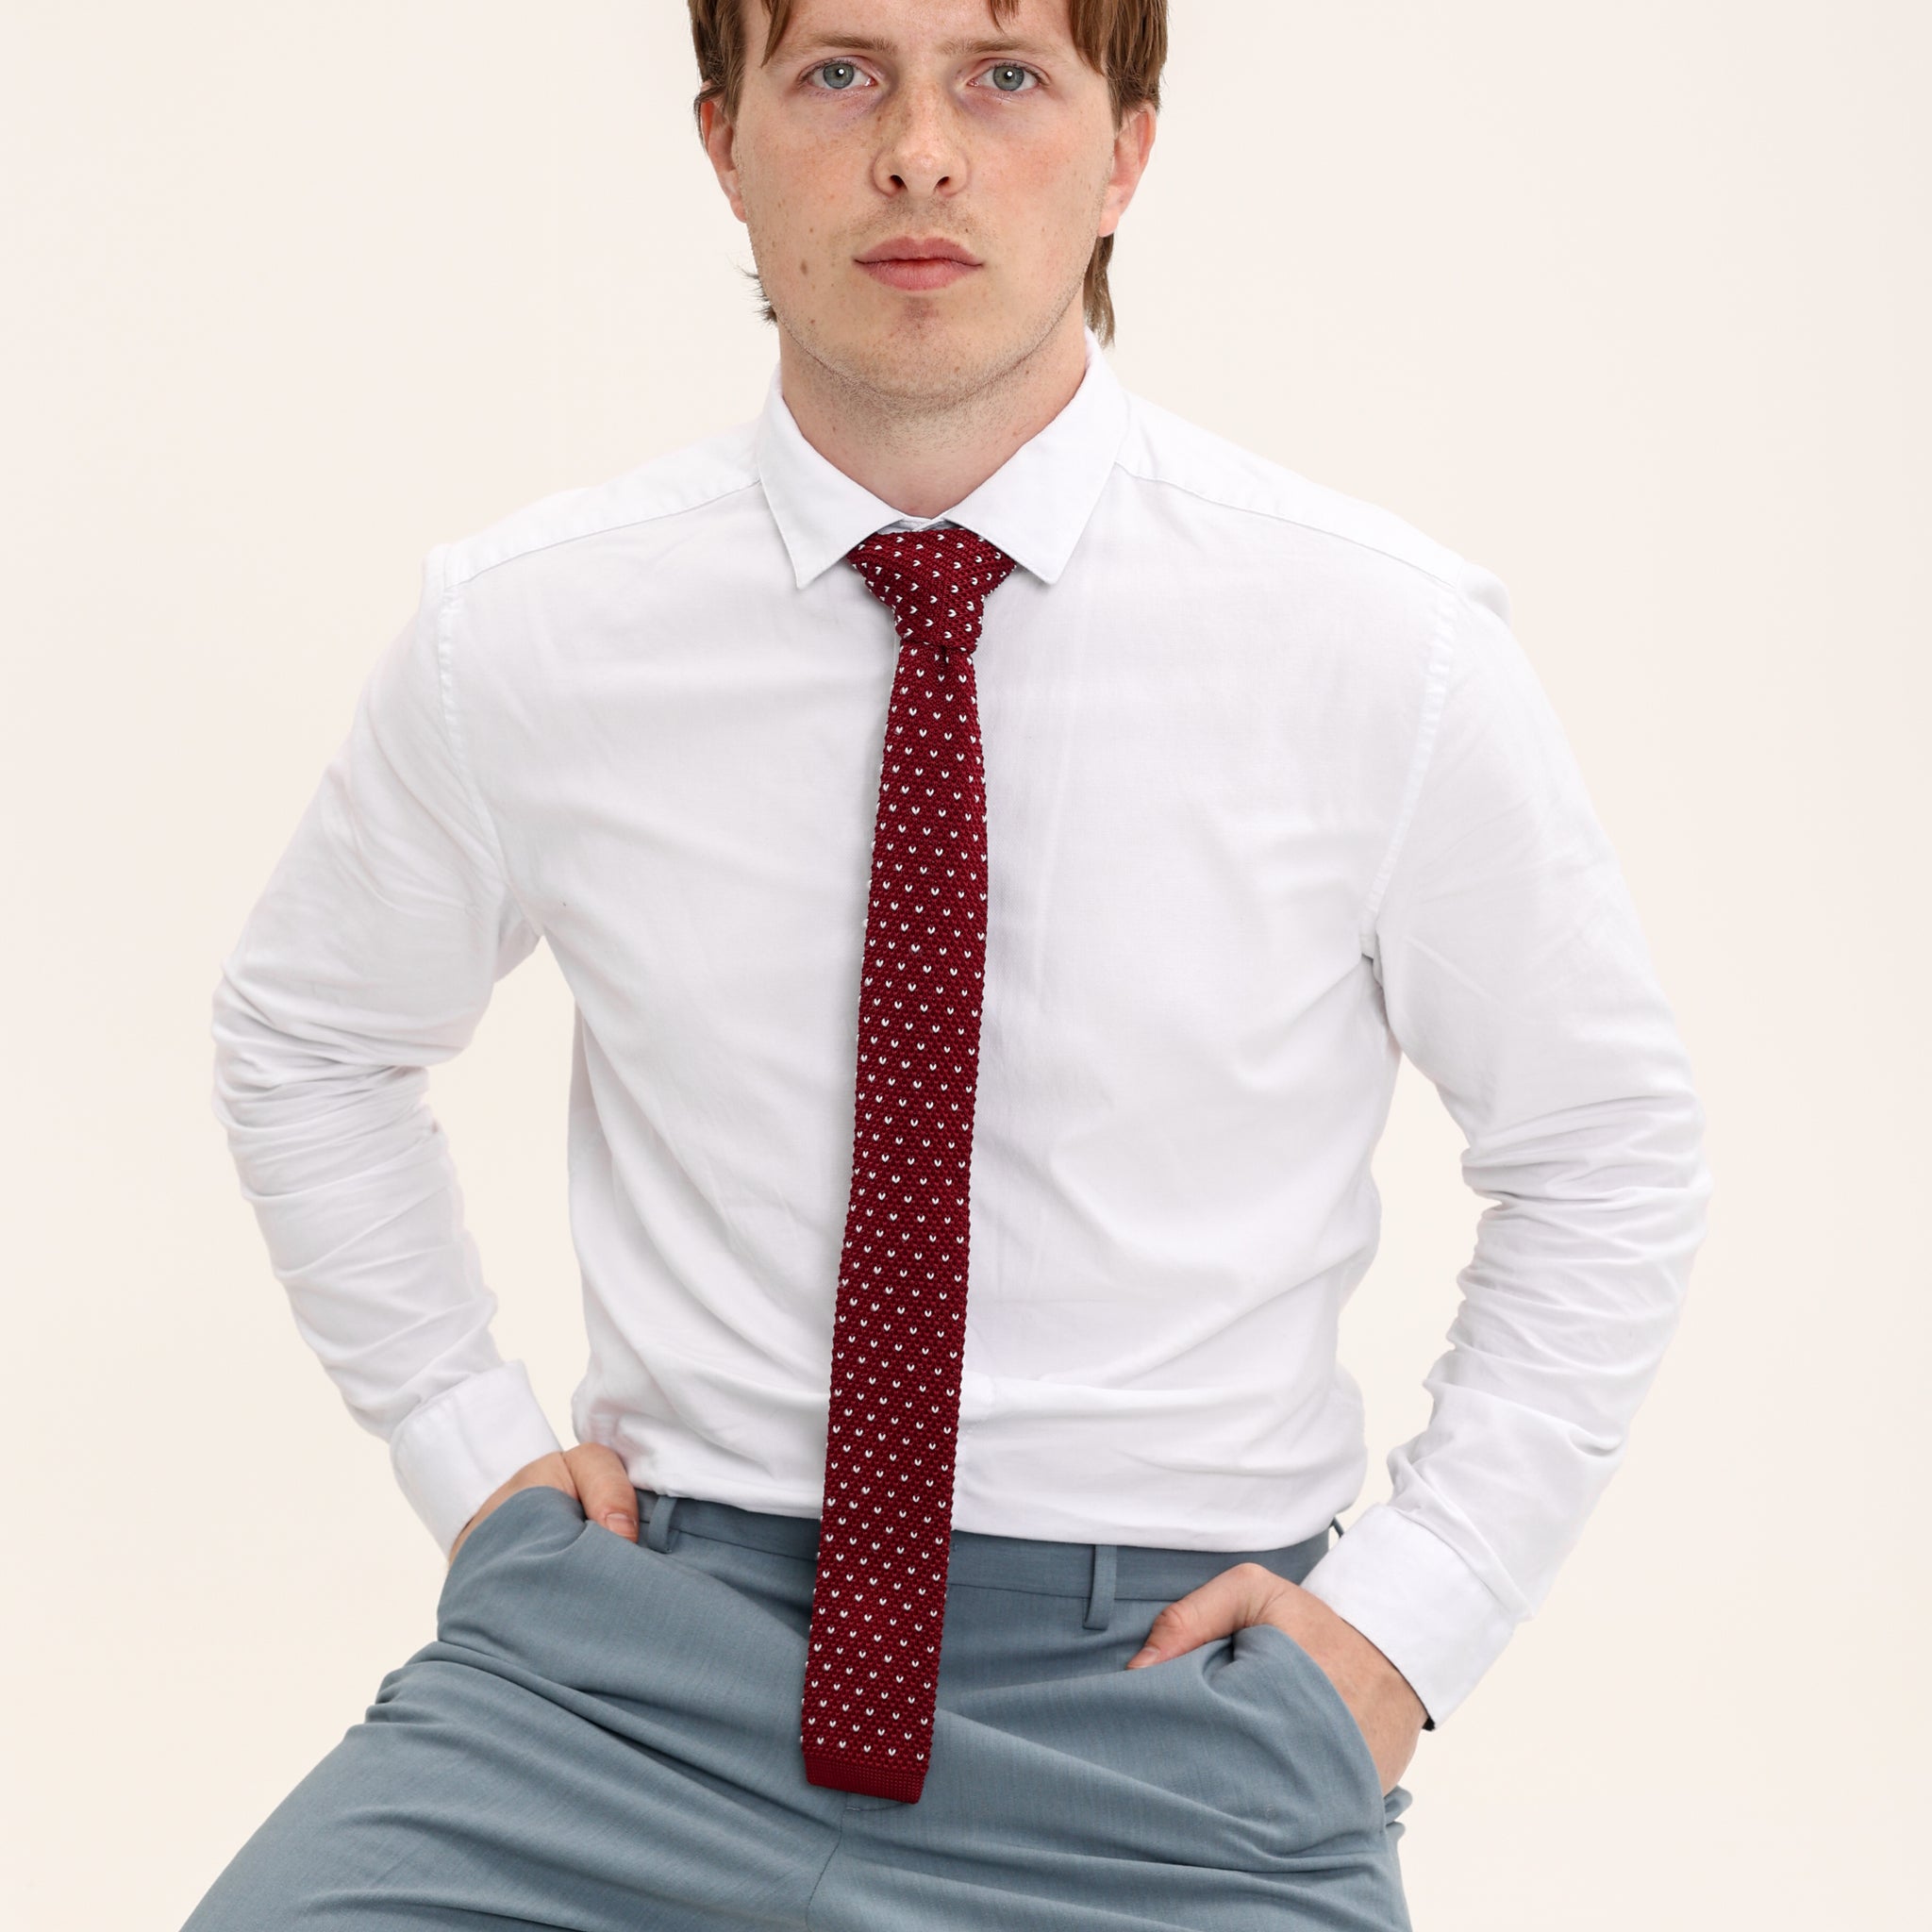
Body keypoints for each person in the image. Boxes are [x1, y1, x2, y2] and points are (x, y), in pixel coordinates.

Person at [182, 1, 1709, 1926]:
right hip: (621, 1683)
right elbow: (309, 1035)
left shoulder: (1378, 651)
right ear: (723, 143)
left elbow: (1603, 1148)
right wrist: (464, 1448)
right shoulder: (535, 632)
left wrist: (1414, 1621)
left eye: (1004, 75)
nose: (919, 150)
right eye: (839, 73)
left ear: (1124, 151)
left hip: (1166, 1719)